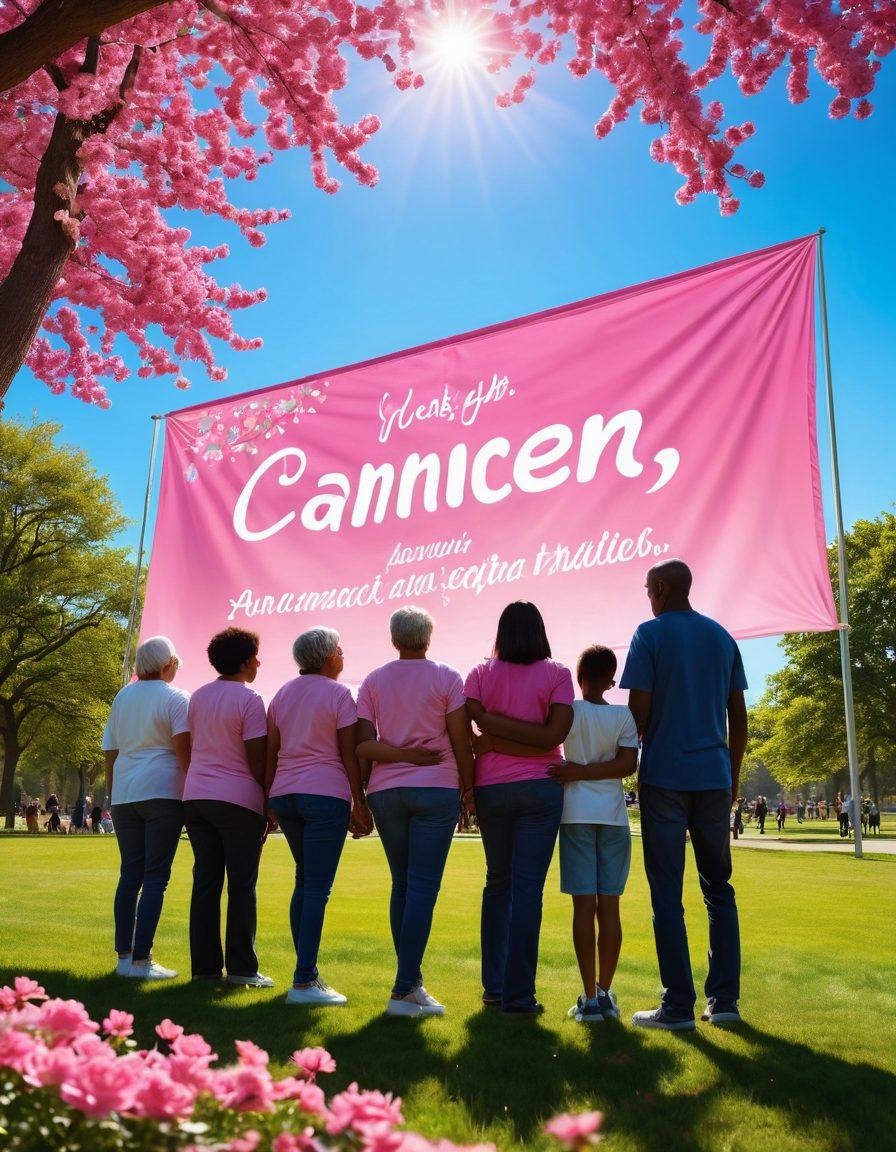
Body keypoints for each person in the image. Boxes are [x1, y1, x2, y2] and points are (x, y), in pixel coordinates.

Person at [620, 559, 747, 1030]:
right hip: (714, 776)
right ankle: (725, 1002)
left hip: (667, 777)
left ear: (660, 587)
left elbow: (639, 712)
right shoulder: (720, 636)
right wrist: (732, 777)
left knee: (667, 895)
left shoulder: (649, 635)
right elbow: (739, 715)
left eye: (648, 589)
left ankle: (677, 1006)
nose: (647, 596)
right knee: (718, 889)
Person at [357, 606, 475, 1017]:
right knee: (422, 887)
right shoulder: (446, 676)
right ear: (429, 636)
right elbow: (461, 741)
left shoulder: (373, 680)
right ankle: (405, 987)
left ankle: (411, 982)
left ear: (394, 638)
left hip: (387, 790)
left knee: (403, 884)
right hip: (435, 786)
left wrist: (361, 793)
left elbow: (363, 745)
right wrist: (469, 789)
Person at [465, 601, 574, 1014]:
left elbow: (475, 727)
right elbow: (553, 737)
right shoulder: (558, 673)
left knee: (498, 884)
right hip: (541, 787)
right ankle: (519, 994)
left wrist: (491, 731)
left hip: (492, 786)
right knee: (527, 891)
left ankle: (494, 986)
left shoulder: (478, 674)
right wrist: (520, 737)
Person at [266, 627, 372, 1006]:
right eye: (340, 650)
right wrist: (359, 802)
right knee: (316, 887)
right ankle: (305, 980)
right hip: (324, 793)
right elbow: (349, 753)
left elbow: (271, 751)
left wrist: (268, 799)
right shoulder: (339, 693)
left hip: (286, 794)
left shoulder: (281, 693)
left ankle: (305, 973)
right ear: (328, 658)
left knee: (305, 880)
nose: (344, 656)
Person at [546, 645, 638, 1024]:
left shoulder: (569, 711)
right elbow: (627, 765)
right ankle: (604, 991)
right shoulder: (623, 715)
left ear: (580, 676)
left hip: (576, 816)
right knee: (610, 906)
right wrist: (590, 770)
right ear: (611, 679)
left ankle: (589, 998)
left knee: (584, 907)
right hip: (613, 818)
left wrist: (577, 771)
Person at [183, 627, 272, 988]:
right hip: (237, 801)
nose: (259, 663)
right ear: (247, 661)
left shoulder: (198, 697)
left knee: (205, 883)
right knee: (241, 885)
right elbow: (257, 759)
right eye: (256, 656)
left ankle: (204, 969)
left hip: (197, 797)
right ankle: (241, 969)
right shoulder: (250, 700)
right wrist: (268, 802)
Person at [102, 635, 189, 980]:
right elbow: (184, 751)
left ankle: (125, 956)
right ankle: (142, 959)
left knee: (130, 875)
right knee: (155, 878)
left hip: (125, 792)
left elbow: (110, 750)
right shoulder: (176, 697)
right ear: (168, 665)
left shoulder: (122, 696)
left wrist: (112, 794)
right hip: (162, 791)